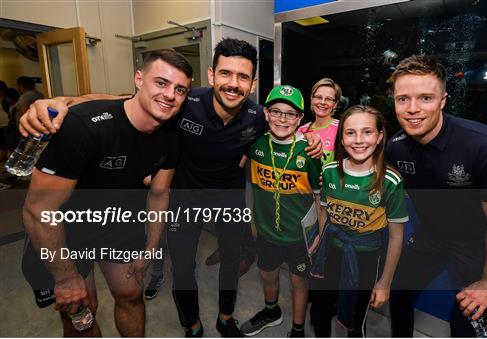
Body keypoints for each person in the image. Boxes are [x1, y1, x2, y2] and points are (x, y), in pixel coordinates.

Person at [19, 38, 322, 337]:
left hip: (228, 198)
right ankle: (191, 324)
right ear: (211, 75)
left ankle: (226, 316)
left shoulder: (257, 117)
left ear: (253, 83)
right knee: (183, 267)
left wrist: (311, 137)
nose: (233, 83)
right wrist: (61, 102)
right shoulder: (184, 102)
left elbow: (287, 128)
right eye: (226, 73)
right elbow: (120, 100)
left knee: (232, 259)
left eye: (243, 76)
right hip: (184, 197)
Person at [21, 49, 192, 336]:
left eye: (180, 89)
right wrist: (65, 279)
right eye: (160, 83)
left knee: (130, 295)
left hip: (120, 223)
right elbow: (38, 211)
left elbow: (159, 195)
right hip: (69, 230)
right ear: (139, 79)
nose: (170, 95)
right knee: (82, 309)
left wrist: (150, 249)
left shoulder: (172, 135)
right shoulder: (82, 128)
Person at [385, 55, 487, 337]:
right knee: (398, 292)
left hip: (481, 242)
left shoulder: (486, 146)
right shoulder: (396, 147)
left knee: (466, 320)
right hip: (433, 235)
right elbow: (369, 168)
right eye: (403, 99)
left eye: (425, 98)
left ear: (443, 100)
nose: (412, 109)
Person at [309, 105, 408, 337]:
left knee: (355, 321)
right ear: (341, 139)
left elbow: (396, 236)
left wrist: (385, 282)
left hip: (365, 258)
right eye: (350, 133)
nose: (358, 140)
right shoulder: (331, 171)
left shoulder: (389, 181)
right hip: (331, 252)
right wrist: (318, 242)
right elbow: (324, 214)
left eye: (367, 132)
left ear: (380, 136)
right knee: (319, 313)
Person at [239, 85, 321, 337]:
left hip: (299, 237)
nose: (282, 119)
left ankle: (297, 328)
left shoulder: (309, 152)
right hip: (266, 233)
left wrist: (320, 233)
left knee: (299, 283)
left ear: (299, 119)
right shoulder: (255, 145)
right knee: (267, 275)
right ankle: (271, 311)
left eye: (290, 114)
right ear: (266, 113)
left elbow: (320, 197)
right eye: (276, 112)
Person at [297, 77, 342, 166]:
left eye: (328, 99)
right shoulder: (302, 130)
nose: (322, 102)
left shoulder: (341, 128)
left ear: (335, 104)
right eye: (318, 97)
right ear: (311, 99)